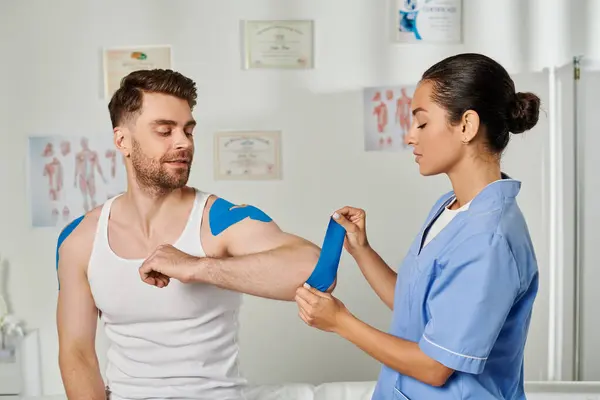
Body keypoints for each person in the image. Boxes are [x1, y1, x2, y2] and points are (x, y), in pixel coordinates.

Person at [55, 69, 327, 400]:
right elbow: (77, 353)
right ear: (122, 141)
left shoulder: (218, 221)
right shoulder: (80, 239)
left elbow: (317, 272)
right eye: (165, 131)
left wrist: (197, 267)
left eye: (188, 130)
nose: (183, 142)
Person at [295, 53, 541, 399]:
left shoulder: (489, 241)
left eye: (422, 123)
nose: (410, 137)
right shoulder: (449, 208)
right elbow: (415, 306)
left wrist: (340, 322)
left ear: (467, 126)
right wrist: (362, 251)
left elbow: (435, 367)